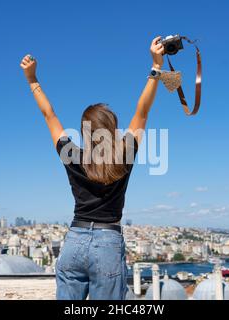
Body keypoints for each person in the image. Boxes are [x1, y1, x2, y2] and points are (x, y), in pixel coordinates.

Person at [20, 36, 164, 300]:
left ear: (86, 133)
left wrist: (32, 79)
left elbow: (49, 115)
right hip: (107, 244)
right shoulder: (124, 154)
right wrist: (155, 67)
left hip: (74, 241)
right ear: (113, 129)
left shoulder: (73, 155)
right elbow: (142, 112)